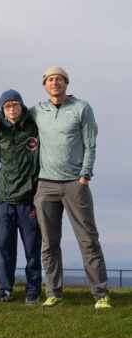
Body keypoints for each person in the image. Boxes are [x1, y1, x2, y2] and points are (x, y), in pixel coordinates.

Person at [31, 66, 110, 309]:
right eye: (50, 79)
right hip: (45, 185)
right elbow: (10, 118)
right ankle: (53, 294)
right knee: (49, 243)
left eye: (59, 79)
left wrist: (84, 176)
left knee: (88, 240)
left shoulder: (81, 108)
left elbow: (90, 144)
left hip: (76, 183)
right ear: (45, 85)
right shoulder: (36, 111)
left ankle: (101, 295)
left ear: (66, 83)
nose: (55, 83)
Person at [0, 89, 42, 304]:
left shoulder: (34, 126)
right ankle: (4, 290)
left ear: (22, 106)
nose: (12, 109)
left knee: (32, 250)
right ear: (2, 109)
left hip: (29, 200)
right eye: (7, 106)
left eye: (15, 105)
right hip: (5, 200)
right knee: (4, 248)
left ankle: (32, 292)